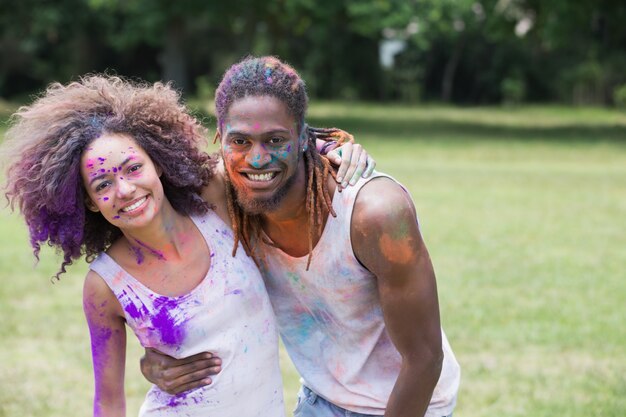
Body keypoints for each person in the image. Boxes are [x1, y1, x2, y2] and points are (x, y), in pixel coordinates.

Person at [1, 75, 372, 417]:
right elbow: (108, 400)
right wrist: (151, 365)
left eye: (133, 168)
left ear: (157, 164)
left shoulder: (213, 202)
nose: (125, 190)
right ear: (89, 203)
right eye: (102, 185)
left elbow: (262, 154)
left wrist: (333, 146)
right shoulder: (105, 285)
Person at [142, 56, 461, 417]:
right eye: (240, 141)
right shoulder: (223, 196)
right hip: (319, 401)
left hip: (409, 404)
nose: (257, 159)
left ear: (302, 136)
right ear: (220, 137)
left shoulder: (375, 213)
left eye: (275, 139)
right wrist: (153, 362)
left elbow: (424, 359)